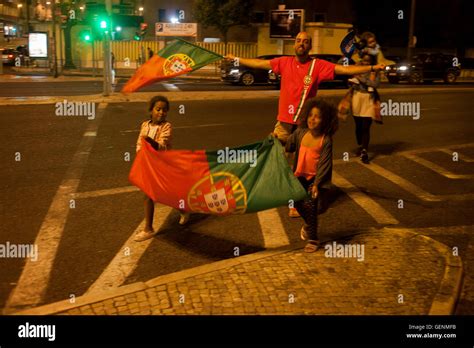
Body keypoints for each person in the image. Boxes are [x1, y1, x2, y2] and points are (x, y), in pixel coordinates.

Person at [225, 31, 385, 217]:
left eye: (306, 41)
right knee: (273, 156)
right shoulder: (284, 62)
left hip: (304, 126)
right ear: (295, 44)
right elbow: (260, 63)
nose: (301, 43)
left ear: (310, 46)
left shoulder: (317, 66)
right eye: (299, 41)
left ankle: (295, 202)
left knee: (300, 167)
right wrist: (236, 58)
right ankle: (266, 191)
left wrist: (372, 68)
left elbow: (344, 70)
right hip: (284, 123)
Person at [285, 97, 338, 253]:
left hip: (314, 179)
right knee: (296, 202)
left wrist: (317, 184)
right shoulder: (301, 133)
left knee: (312, 208)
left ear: (325, 120)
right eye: (310, 115)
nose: (312, 119)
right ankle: (309, 224)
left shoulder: (325, 140)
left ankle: (313, 239)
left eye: (317, 116)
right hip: (298, 176)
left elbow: (324, 163)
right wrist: (277, 139)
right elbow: (289, 145)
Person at [134, 96, 190, 242]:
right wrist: (140, 157)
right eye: (158, 109)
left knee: (160, 193)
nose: (161, 112)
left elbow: (162, 146)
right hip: (148, 165)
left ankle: (149, 229)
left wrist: (149, 141)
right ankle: (182, 211)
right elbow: (139, 145)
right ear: (151, 110)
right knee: (151, 195)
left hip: (162, 166)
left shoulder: (167, 127)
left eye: (165, 110)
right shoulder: (145, 125)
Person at [350, 53, 381, 164]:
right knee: (358, 126)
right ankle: (360, 145)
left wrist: (361, 79)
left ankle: (364, 151)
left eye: (368, 61)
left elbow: (375, 84)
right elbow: (353, 83)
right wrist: (352, 81)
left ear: (372, 62)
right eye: (364, 61)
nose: (366, 63)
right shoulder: (358, 69)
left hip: (368, 99)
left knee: (365, 127)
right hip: (357, 97)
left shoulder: (375, 71)